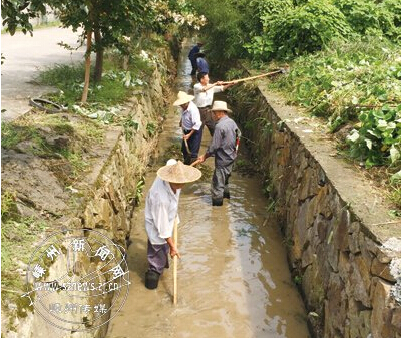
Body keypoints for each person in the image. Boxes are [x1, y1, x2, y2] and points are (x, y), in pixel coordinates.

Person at [144, 159, 201, 289]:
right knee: (156, 254)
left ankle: (161, 264)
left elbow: (171, 162)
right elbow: (163, 229)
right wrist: (173, 247)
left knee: (163, 253)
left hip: (168, 218)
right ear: (171, 180)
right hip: (157, 226)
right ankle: (152, 278)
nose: (182, 185)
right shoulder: (160, 199)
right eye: (179, 183)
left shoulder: (171, 171)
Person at [197, 101, 241, 206]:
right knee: (225, 181)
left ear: (219, 113)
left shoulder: (219, 126)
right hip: (231, 157)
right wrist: (235, 150)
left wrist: (205, 156)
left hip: (222, 160)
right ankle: (226, 201)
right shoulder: (231, 122)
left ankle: (217, 211)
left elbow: (214, 146)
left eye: (214, 113)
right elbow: (239, 134)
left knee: (217, 186)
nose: (212, 115)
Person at [193, 72, 234, 136]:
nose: (209, 79)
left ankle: (217, 143)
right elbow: (204, 89)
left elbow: (222, 88)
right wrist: (215, 83)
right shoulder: (196, 86)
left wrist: (230, 84)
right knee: (198, 130)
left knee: (214, 128)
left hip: (209, 110)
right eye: (207, 77)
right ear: (201, 80)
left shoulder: (211, 86)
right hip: (199, 111)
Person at [173, 91, 202, 165]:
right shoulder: (184, 107)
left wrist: (189, 135)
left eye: (181, 104)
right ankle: (186, 164)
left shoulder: (193, 110)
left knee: (193, 153)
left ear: (185, 102)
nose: (180, 106)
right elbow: (183, 115)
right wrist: (181, 121)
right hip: (186, 131)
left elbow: (197, 124)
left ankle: (192, 168)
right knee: (184, 150)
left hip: (194, 132)